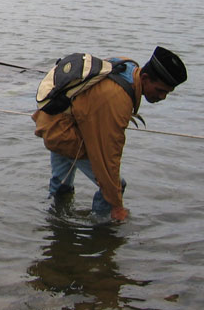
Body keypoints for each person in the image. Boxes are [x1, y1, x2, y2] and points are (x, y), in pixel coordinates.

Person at [33, 46, 187, 222]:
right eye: (160, 90)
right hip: (62, 131)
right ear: (144, 77)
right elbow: (107, 157)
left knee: (62, 182)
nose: (162, 97)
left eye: (167, 93)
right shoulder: (116, 100)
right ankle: (102, 229)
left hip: (55, 117)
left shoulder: (126, 65)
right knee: (116, 186)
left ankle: (56, 219)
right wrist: (117, 205)